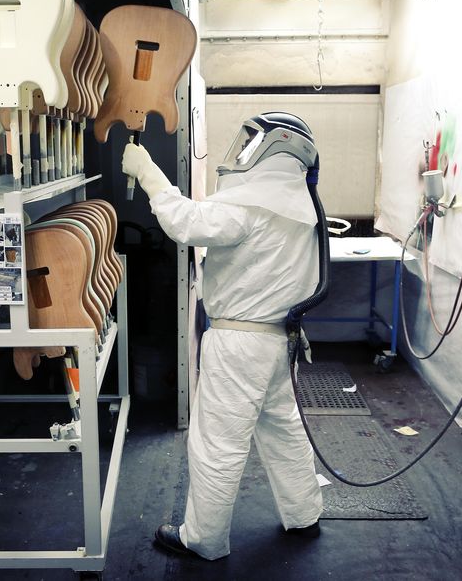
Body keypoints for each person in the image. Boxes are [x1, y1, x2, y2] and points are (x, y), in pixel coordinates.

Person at [121, 112, 325, 561]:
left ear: (272, 149)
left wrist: (146, 169)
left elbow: (186, 222)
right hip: (279, 342)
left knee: (218, 443)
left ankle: (204, 541)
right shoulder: (301, 206)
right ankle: (304, 514)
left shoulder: (253, 202)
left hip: (238, 345)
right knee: (283, 431)